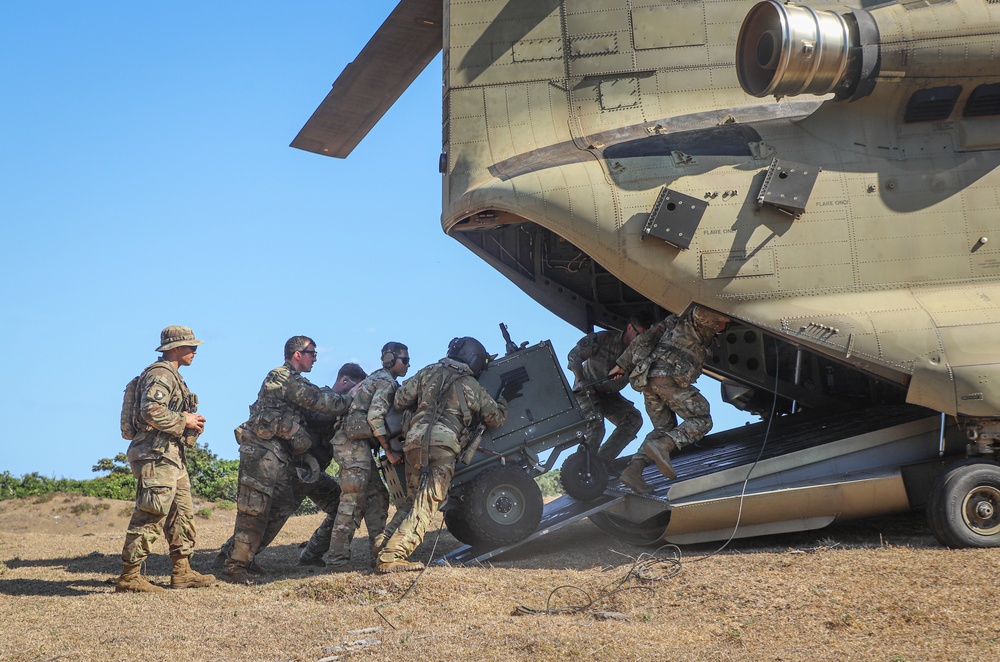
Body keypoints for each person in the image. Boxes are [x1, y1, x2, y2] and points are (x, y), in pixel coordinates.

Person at [221, 336, 353, 585]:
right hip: (263, 451)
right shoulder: (281, 376)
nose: (315, 358)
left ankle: (244, 557)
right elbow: (319, 401)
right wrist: (351, 398)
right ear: (297, 354)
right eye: (312, 353)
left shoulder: (295, 380)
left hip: (278, 454)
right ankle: (234, 566)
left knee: (280, 508)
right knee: (255, 509)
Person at [375, 337, 513, 574]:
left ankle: (382, 544)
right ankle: (391, 556)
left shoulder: (428, 371)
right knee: (427, 503)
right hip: (442, 447)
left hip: (414, 444)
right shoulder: (471, 385)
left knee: (411, 500)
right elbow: (495, 419)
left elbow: (400, 400)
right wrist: (504, 399)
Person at [115, 325, 214, 593]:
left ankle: (182, 572)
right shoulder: (161, 375)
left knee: (181, 513)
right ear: (175, 348)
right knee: (152, 512)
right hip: (155, 454)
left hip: (170, 454)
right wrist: (185, 419)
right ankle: (130, 576)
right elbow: (150, 410)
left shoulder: (172, 375)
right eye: (190, 346)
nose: (194, 351)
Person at [611, 305, 728, 493]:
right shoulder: (698, 317)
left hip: (648, 377)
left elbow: (646, 337)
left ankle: (634, 470)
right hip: (667, 376)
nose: (722, 328)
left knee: (664, 428)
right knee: (701, 418)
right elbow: (706, 307)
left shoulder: (674, 320)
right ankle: (663, 446)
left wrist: (622, 364)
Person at [325, 342, 408, 569]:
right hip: (351, 443)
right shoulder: (386, 382)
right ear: (391, 360)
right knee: (352, 499)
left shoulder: (378, 378)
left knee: (378, 496)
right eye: (405, 360)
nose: (408, 365)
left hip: (355, 443)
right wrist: (388, 451)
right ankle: (337, 560)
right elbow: (374, 417)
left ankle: (379, 551)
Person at [297, 362, 370, 566]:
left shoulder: (344, 404)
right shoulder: (321, 396)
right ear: (344, 381)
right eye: (357, 387)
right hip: (298, 469)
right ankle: (230, 556)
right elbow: (316, 416)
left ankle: (311, 554)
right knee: (269, 517)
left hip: (314, 472)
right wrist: (348, 399)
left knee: (341, 506)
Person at [567, 312, 654, 469]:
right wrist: (580, 380)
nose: (642, 340)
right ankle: (579, 469)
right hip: (587, 392)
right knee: (596, 429)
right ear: (629, 328)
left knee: (633, 420)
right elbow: (574, 356)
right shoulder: (603, 339)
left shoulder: (640, 355)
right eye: (640, 334)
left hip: (610, 396)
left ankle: (601, 464)